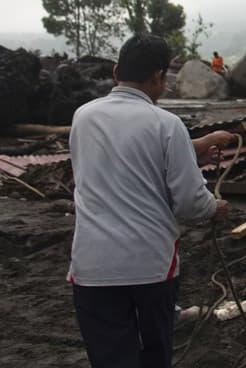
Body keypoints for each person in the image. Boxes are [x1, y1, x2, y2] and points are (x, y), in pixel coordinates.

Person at [68, 34, 234, 368]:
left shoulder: (83, 118)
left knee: (111, 359)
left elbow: (125, 160)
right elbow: (190, 204)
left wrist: (194, 146)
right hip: (149, 268)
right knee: (153, 356)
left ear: (116, 71)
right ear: (160, 76)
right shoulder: (167, 125)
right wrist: (215, 208)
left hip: (92, 267)